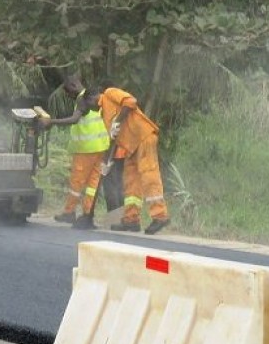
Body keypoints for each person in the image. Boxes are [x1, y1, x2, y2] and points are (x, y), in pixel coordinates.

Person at [93, 83, 171, 235]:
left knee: (149, 176)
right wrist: (106, 162)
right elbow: (114, 138)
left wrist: (118, 120)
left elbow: (131, 102)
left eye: (87, 106)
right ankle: (131, 220)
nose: (88, 110)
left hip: (143, 137)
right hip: (131, 146)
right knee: (131, 182)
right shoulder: (103, 115)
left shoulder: (110, 93)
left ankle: (160, 215)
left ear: (92, 98)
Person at [39, 76, 112, 229]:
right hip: (101, 147)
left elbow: (74, 119)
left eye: (68, 92)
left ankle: (69, 212)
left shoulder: (82, 100)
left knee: (77, 183)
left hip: (86, 150)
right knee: (93, 184)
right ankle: (87, 215)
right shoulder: (95, 98)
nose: (69, 96)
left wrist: (51, 122)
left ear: (73, 86)